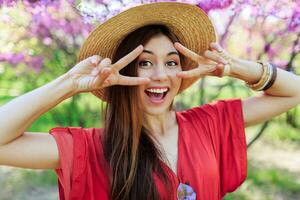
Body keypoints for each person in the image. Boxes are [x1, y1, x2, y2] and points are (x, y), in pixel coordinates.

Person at [0, 2, 299, 200]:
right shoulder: (91, 149)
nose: (160, 75)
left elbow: (294, 91)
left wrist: (234, 66)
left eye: (171, 63)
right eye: (145, 63)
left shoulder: (209, 122)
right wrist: (69, 84)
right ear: (124, 71)